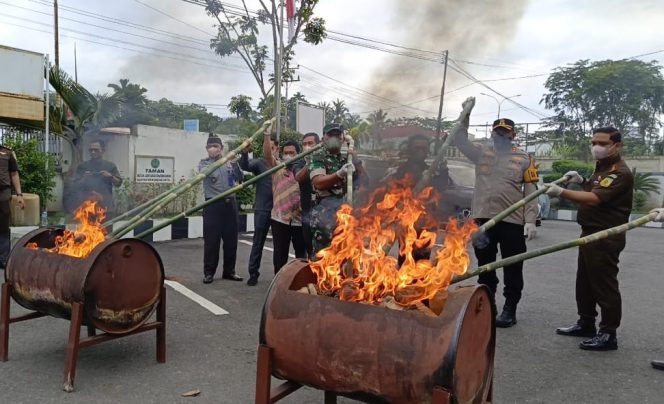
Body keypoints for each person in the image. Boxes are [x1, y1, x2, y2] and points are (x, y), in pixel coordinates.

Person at [547, 127, 633, 351]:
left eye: (603, 143)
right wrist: (582, 180)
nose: (597, 146)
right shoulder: (602, 168)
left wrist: (561, 192)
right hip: (589, 233)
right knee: (584, 282)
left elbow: (595, 198)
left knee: (604, 285)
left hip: (606, 235)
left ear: (617, 145)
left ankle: (608, 333)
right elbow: (594, 188)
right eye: (594, 142)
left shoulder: (619, 172)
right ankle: (586, 322)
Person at [453, 118, 539, 328]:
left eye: (505, 133)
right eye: (497, 132)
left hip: (512, 221)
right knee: (485, 266)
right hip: (482, 220)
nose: (500, 136)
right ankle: (488, 304)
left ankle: (510, 308)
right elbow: (459, 139)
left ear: (513, 135)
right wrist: (465, 117)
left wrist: (530, 220)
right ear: (492, 133)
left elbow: (531, 192)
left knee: (512, 266)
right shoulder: (481, 153)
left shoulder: (525, 159)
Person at [381, 134, 452, 265]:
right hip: (406, 223)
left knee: (422, 263)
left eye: (424, 149)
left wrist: (443, 168)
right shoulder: (400, 170)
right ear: (410, 149)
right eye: (416, 148)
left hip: (427, 223)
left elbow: (443, 186)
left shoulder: (431, 171)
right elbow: (390, 192)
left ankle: (419, 285)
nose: (420, 152)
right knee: (405, 259)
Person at [309, 123, 368, 255]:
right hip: (324, 217)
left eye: (337, 135)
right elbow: (318, 182)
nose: (334, 138)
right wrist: (339, 174)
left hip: (345, 216)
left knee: (343, 257)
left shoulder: (348, 159)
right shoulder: (318, 157)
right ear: (324, 138)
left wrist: (356, 160)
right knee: (322, 257)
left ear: (343, 139)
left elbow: (365, 182)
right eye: (330, 135)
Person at [198, 134, 243, 284]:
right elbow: (205, 173)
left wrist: (235, 164)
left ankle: (229, 271)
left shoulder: (229, 162)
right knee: (212, 241)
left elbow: (239, 177)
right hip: (212, 205)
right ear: (206, 149)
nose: (213, 149)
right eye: (210, 147)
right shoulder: (203, 163)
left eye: (216, 146)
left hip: (230, 204)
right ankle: (209, 272)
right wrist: (220, 161)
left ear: (221, 148)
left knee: (231, 241)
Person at [263, 133, 307, 273]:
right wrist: (266, 135)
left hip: (299, 220)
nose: (288, 156)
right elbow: (268, 155)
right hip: (280, 219)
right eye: (286, 153)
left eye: (292, 153)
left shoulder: (303, 171)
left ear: (298, 154)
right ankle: (279, 282)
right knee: (280, 255)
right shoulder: (277, 168)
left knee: (301, 255)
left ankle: (301, 282)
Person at [239, 135, 274, 286]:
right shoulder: (260, 163)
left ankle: (279, 276)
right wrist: (245, 153)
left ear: (277, 149)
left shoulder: (285, 164)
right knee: (258, 242)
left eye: (273, 148)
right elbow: (245, 166)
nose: (270, 151)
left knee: (280, 246)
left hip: (280, 211)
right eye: (268, 148)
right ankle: (253, 273)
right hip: (262, 209)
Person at [72, 139, 122, 217]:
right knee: (87, 229)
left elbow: (118, 183)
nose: (93, 152)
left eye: (96, 150)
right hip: (87, 206)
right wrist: (84, 178)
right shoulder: (83, 166)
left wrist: (110, 176)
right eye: (91, 150)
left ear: (103, 150)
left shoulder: (110, 166)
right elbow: (75, 185)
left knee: (107, 229)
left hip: (106, 206)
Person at [294, 132, 320, 259]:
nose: (307, 146)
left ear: (318, 145)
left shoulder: (325, 159)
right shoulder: (299, 163)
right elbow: (299, 177)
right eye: (304, 144)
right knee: (311, 251)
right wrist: (310, 161)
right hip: (308, 215)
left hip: (325, 215)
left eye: (310, 143)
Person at [0, 144, 24, 269]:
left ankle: (4, 258)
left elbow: (14, 174)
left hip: (3, 194)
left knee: (3, 226)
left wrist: (19, 194)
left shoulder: (7, 152)